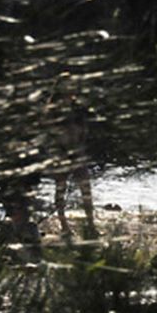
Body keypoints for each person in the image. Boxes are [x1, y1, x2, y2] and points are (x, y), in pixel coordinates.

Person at [51, 79, 97, 239]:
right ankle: (63, 225)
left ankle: (91, 224)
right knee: (60, 189)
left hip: (78, 152)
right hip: (61, 154)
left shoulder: (78, 109)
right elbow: (52, 133)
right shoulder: (53, 109)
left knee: (86, 189)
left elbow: (84, 130)